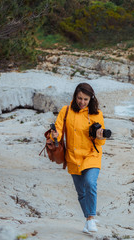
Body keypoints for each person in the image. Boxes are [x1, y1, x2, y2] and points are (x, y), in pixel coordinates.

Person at [51, 82, 106, 233]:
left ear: (91, 99)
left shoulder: (97, 114)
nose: (82, 102)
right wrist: (54, 135)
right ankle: (88, 221)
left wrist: (100, 137)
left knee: (90, 183)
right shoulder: (66, 110)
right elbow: (58, 130)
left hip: (91, 155)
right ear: (75, 96)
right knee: (81, 192)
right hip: (73, 156)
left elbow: (101, 142)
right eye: (79, 98)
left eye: (85, 99)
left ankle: (91, 219)